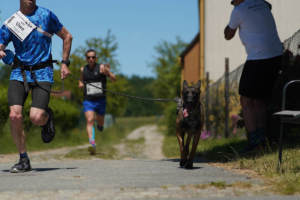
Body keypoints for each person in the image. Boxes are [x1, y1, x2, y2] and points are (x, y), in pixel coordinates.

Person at [0, 0, 72, 173]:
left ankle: (47, 118)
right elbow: (0, 45)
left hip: (42, 72)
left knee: (36, 117)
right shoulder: (12, 22)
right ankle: (23, 159)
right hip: (20, 72)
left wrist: (64, 63)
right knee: (14, 115)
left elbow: (67, 36)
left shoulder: (46, 15)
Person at [224, 0, 283, 152]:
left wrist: (231, 23)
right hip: (276, 55)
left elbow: (228, 35)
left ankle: (254, 141)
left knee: (246, 98)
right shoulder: (261, 3)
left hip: (258, 58)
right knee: (259, 100)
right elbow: (269, 6)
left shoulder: (239, 10)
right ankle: (262, 140)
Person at [79, 49, 116, 155]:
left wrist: (108, 72)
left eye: (93, 57)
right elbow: (81, 80)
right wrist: (80, 84)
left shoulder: (101, 68)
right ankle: (92, 143)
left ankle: (100, 126)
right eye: (89, 57)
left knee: (100, 122)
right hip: (88, 100)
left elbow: (114, 78)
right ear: (86, 59)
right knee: (90, 120)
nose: (91, 59)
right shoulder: (83, 69)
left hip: (100, 100)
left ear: (96, 58)